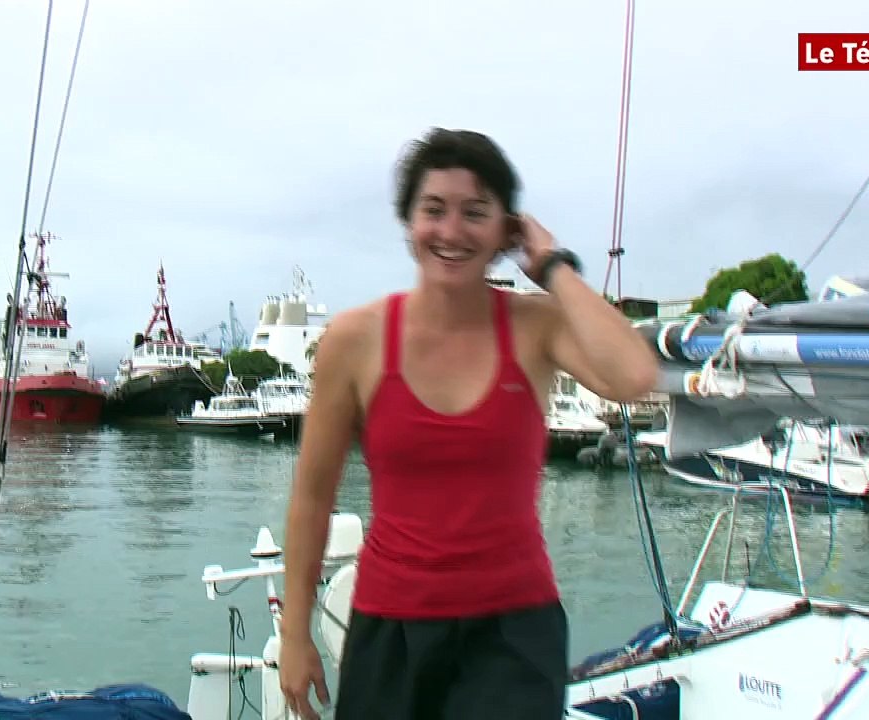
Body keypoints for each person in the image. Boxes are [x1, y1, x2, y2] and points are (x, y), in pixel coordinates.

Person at [278, 127, 661, 720]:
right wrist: (297, 636)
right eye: (434, 210)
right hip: (390, 629)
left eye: (475, 213)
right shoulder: (356, 341)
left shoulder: (537, 327)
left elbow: (636, 375)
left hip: (511, 633)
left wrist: (552, 265)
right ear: (409, 223)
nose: (451, 232)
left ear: (506, 231)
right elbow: (312, 498)